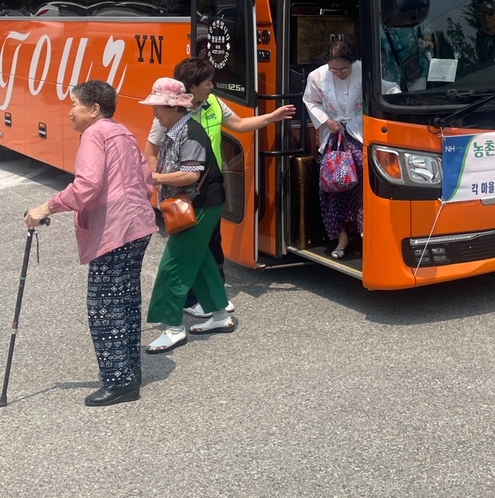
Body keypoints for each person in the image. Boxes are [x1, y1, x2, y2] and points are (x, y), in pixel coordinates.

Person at [25, 80, 157, 407]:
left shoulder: (94, 135)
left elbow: (85, 187)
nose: (69, 111)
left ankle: (118, 382)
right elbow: (146, 181)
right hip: (137, 226)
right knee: (126, 302)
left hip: (114, 232)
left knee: (105, 308)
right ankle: (129, 372)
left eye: (74, 105)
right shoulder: (122, 132)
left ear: (93, 109)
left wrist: (45, 207)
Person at [144, 57, 296, 317]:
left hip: (207, 184)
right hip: (183, 188)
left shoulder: (212, 103)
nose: (212, 86)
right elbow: (151, 152)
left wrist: (271, 117)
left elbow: (238, 124)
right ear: (191, 87)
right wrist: (157, 183)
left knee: (211, 243)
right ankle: (196, 301)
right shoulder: (170, 114)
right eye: (207, 82)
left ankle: (214, 301)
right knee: (189, 247)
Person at [141, 77, 235, 351]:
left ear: (173, 108)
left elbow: (190, 174)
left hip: (199, 203)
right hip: (199, 203)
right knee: (201, 260)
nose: (154, 112)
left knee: (172, 266)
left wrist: (155, 178)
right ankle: (219, 315)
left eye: (157, 107)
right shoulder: (180, 128)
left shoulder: (190, 132)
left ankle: (172, 328)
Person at [301, 41, 367, 259]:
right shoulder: (317, 76)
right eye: (334, 69)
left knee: (363, 174)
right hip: (333, 137)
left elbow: (388, 88)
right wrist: (327, 121)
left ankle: (364, 231)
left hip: (360, 132)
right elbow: (310, 101)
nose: (339, 72)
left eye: (343, 69)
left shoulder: (365, 69)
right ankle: (341, 237)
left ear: (352, 62)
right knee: (331, 183)